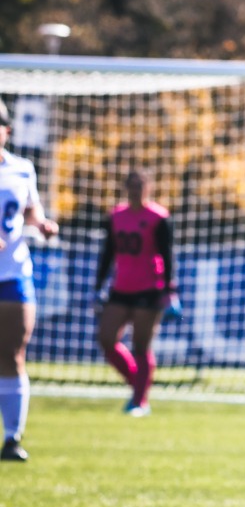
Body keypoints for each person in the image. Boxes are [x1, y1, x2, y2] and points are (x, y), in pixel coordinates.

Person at [0, 98, 59, 462]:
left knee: (12, 353)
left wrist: (42, 223)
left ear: (7, 131)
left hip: (12, 273)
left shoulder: (21, 169)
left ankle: (12, 438)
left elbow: (30, 209)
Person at [95, 168, 175, 417]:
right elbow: (108, 252)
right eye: (131, 185)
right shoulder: (116, 216)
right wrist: (98, 285)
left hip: (149, 289)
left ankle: (140, 401)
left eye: (140, 185)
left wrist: (170, 290)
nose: (135, 191)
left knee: (141, 345)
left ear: (148, 188)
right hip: (121, 287)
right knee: (106, 338)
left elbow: (167, 255)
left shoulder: (158, 217)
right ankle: (138, 383)